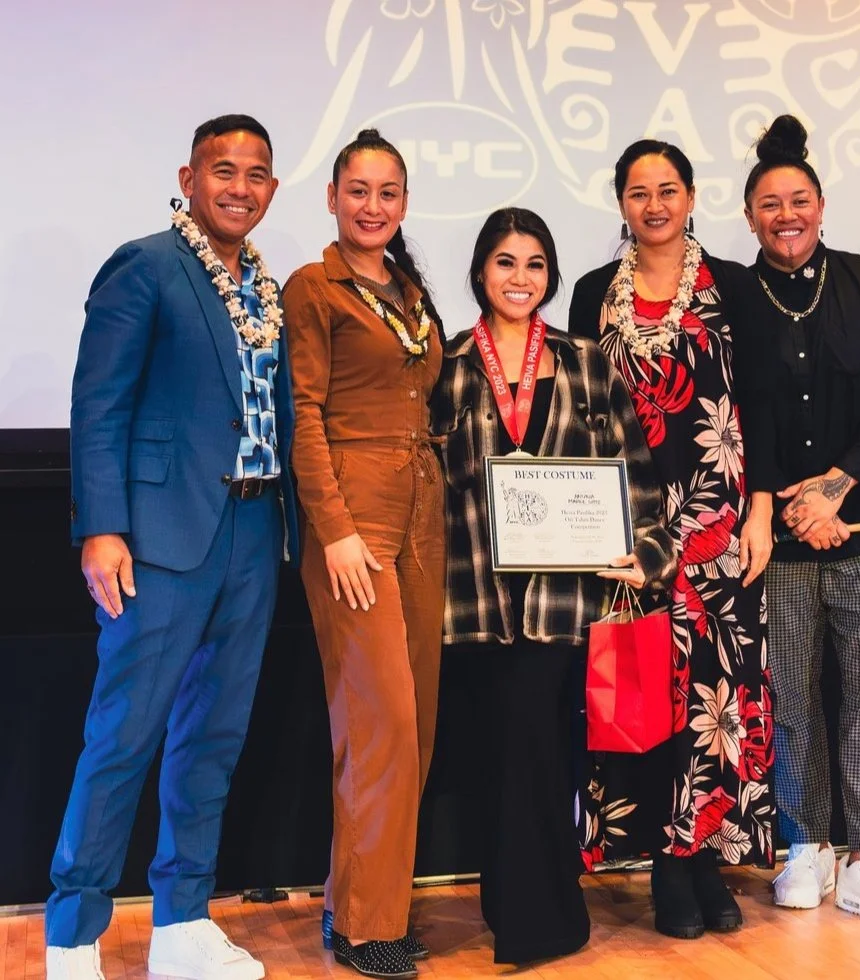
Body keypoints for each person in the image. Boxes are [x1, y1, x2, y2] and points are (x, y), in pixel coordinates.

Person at [45, 115, 296, 980]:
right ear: (188, 178)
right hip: (158, 538)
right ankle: (72, 936)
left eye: (256, 173)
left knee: (212, 738)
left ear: (272, 187)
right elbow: (99, 405)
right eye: (222, 170)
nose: (239, 186)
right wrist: (102, 528)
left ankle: (181, 922)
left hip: (255, 533)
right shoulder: (145, 264)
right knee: (122, 737)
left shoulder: (265, 288)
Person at [431, 207, 676, 965]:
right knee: (494, 762)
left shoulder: (583, 361)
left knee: (541, 755)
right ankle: (514, 910)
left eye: (534, 264)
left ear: (551, 277)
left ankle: (541, 922)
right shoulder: (443, 366)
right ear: (480, 272)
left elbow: (633, 465)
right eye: (505, 262)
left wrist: (650, 550)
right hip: (471, 605)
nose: (519, 278)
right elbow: (424, 483)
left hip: (561, 604)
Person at [568, 139, 777, 939]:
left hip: (722, 534)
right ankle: (664, 865)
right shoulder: (593, 292)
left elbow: (766, 408)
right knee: (649, 700)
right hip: (629, 536)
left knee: (718, 701)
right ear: (620, 203)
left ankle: (707, 864)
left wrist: (759, 512)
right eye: (636, 191)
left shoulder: (734, 288)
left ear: (692, 197)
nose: (653, 204)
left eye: (667, 189)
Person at [743, 114, 860, 928]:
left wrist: (839, 486)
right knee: (788, 697)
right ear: (748, 216)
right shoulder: (730, 301)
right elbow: (734, 411)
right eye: (769, 204)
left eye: (799, 200)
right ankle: (804, 845)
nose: (787, 215)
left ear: (821, 204)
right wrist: (796, 499)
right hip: (778, 541)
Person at [281, 129, 445, 980]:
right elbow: (303, 414)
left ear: (403, 203)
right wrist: (335, 529)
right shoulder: (314, 287)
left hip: (424, 517)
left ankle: (366, 906)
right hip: (354, 520)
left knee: (414, 729)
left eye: (387, 191)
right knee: (378, 725)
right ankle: (365, 927)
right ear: (334, 197)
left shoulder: (409, 290)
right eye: (358, 190)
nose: (372, 205)